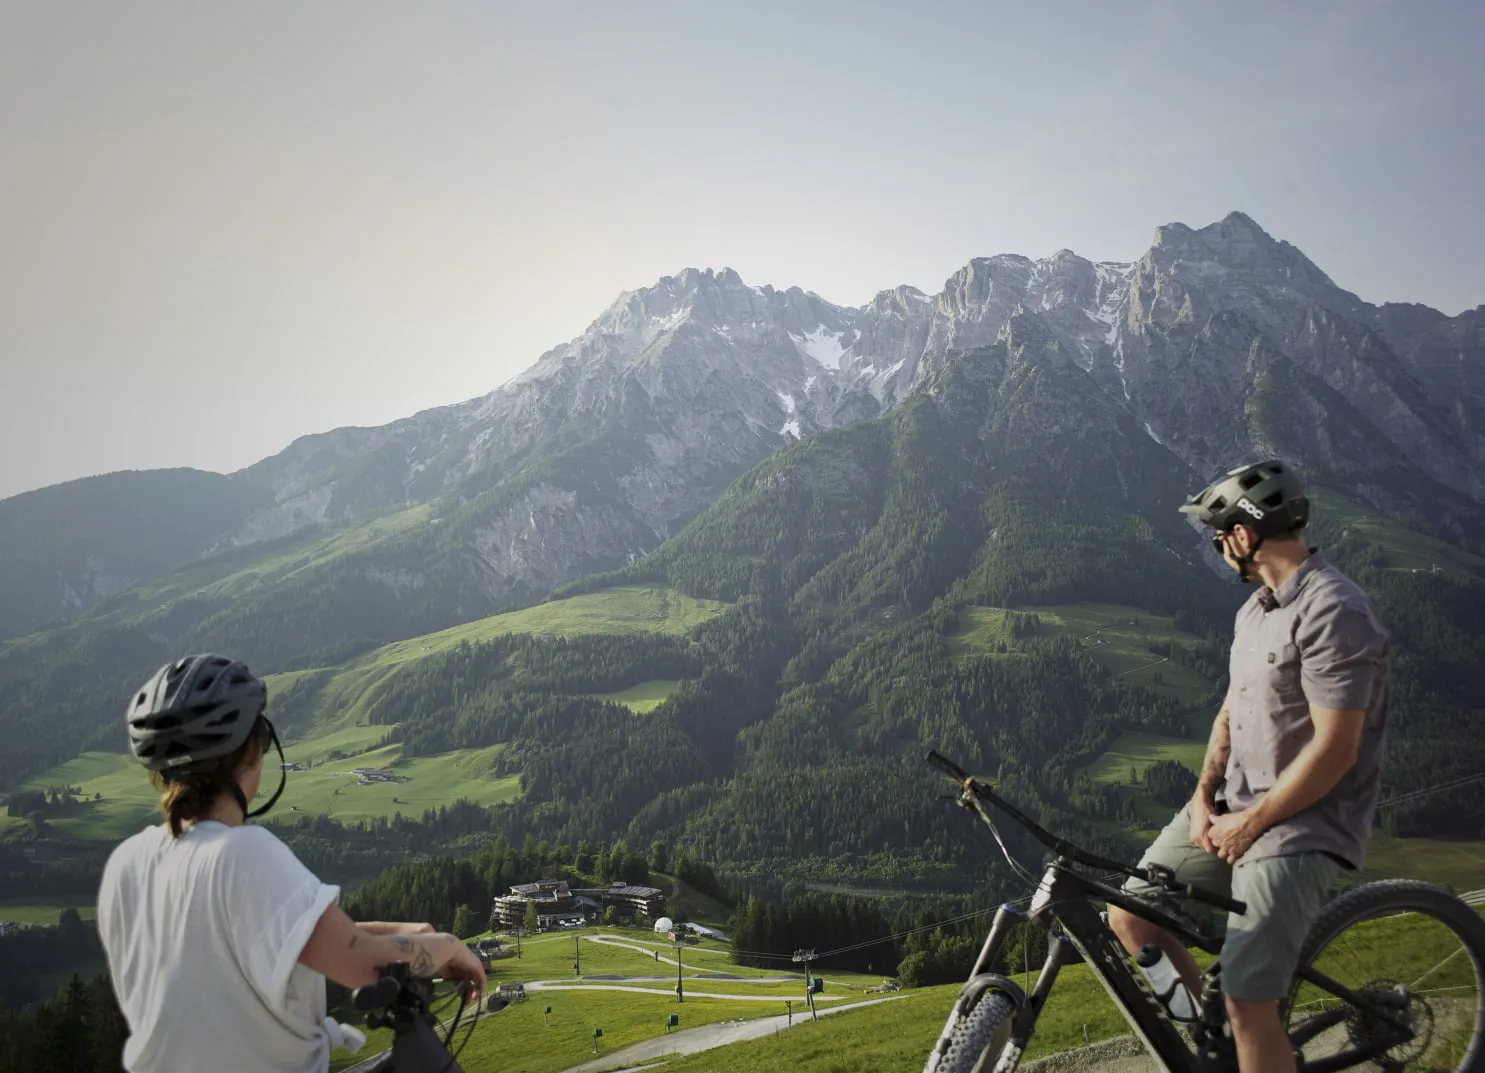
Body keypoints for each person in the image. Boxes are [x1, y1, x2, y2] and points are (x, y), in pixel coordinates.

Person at [1107, 460, 1389, 1073]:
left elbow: (1337, 749)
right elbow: (1230, 716)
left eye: (1218, 536)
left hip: (1300, 824)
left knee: (1247, 998)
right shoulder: (1255, 612)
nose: (1218, 551)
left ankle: (1246, 1032)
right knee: (1132, 914)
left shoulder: (1334, 609)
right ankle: (1219, 1053)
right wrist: (1205, 798)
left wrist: (1251, 823)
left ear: (1243, 533)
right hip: (1236, 805)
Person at [97, 654, 486, 1073]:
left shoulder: (128, 864)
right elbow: (364, 966)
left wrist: (410, 933)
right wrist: (448, 947)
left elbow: (260, 941)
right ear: (252, 750)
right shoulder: (242, 854)